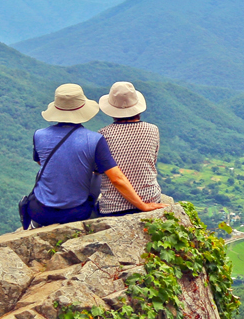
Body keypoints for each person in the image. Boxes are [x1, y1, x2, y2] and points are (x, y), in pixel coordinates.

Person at [26, 83, 163, 227]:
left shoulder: (39, 135)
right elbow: (135, 168)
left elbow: (42, 162)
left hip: (42, 211)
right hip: (80, 212)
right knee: (96, 173)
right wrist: (142, 205)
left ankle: (39, 221)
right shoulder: (95, 139)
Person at [95, 81, 165, 218]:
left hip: (113, 207)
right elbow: (151, 160)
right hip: (150, 198)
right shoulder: (152, 130)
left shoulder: (102, 135)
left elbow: (100, 171)